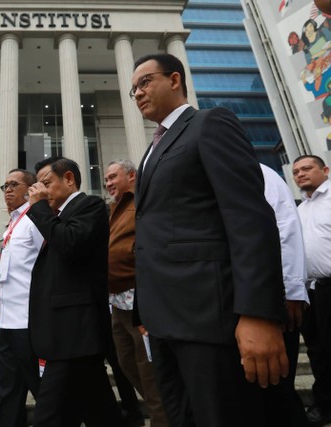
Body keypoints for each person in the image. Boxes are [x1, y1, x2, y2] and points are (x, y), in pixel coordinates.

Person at [130, 53, 287, 426]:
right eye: (133, 88)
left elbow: (249, 218)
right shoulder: (152, 149)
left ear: (174, 79)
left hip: (209, 318)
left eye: (145, 82)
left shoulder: (210, 124)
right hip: (163, 321)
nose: (137, 93)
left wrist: (258, 313)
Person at [26, 156, 124, 427]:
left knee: (50, 414)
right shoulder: (58, 217)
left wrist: (40, 209)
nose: (41, 190)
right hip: (70, 331)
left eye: (46, 183)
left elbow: (70, 244)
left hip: (75, 330)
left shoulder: (89, 205)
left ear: (69, 179)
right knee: (99, 409)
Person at [105, 159, 167, 427]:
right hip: (117, 302)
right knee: (126, 364)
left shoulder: (142, 200)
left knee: (149, 370)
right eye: (106, 180)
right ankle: (167, 408)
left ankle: (164, 417)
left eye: (112, 177)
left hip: (140, 301)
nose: (108, 184)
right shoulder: (113, 209)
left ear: (131, 176)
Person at [0, 169, 43, 427]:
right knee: (9, 392)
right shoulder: (12, 224)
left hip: (29, 324)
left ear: (31, 189)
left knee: (42, 390)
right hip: (6, 325)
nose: (8, 190)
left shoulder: (35, 220)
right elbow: (5, 276)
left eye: (14, 184)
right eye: (5, 186)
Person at [259, 163, 308, 427]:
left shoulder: (261, 173)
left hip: (275, 301)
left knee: (277, 390)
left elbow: (285, 230)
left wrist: (291, 292)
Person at [292, 155, 331, 426]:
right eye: (295, 172)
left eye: (307, 169)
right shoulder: (299, 209)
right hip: (311, 291)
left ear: (325, 169)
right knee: (318, 351)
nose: (300, 175)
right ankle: (325, 405)